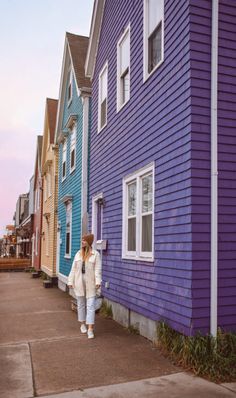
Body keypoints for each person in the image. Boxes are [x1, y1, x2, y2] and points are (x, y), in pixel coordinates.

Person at [67, 234, 101, 339]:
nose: (82, 242)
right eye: (82, 240)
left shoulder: (95, 254)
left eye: (84, 240)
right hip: (79, 282)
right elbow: (73, 269)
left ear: (89, 242)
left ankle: (90, 328)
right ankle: (82, 324)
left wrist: (98, 281)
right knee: (81, 304)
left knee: (90, 305)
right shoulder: (78, 254)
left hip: (91, 283)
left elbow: (97, 270)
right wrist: (70, 281)